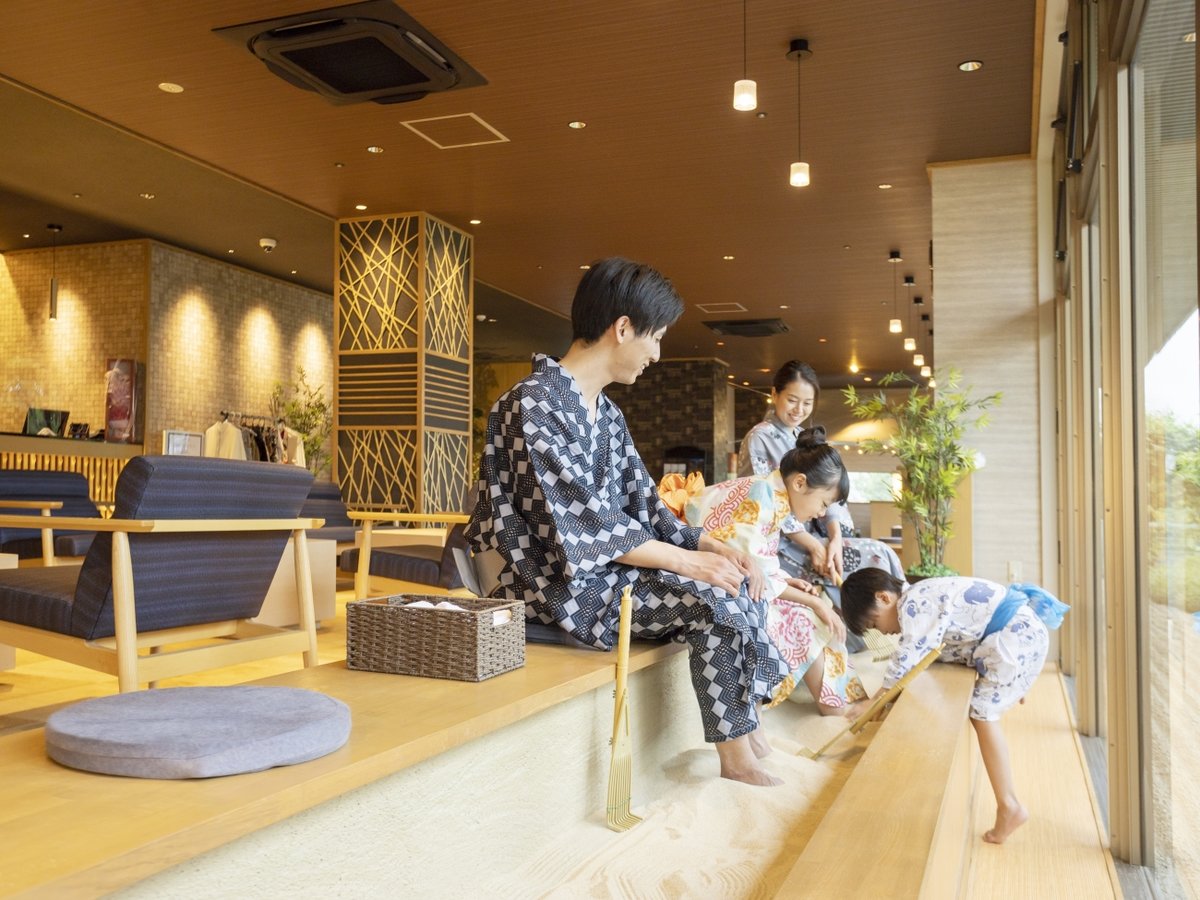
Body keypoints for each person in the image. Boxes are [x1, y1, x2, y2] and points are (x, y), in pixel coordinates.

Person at [467, 257, 791, 787]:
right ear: (622, 329)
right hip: (550, 585)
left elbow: (647, 508)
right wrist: (691, 565)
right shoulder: (530, 406)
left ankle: (746, 728)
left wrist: (714, 547)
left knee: (738, 581)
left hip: (607, 574)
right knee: (714, 599)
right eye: (655, 337)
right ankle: (736, 755)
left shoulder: (608, 415)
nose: (656, 354)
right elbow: (583, 525)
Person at [839, 567, 1069, 844]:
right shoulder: (921, 593)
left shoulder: (913, 603)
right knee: (981, 698)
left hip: (1014, 638)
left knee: (981, 714)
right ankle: (1015, 687)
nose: (883, 632)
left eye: (875, 624)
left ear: (884, 598)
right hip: (1018, 634)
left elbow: (907, 656)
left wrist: (875, 701)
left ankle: (1010, 805)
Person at [682, 426, 868, 716]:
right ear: (800, 483)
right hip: (697, 574)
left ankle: (840, 701)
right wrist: (814, 602)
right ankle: (835, 706)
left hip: (722, 573)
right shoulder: (764, 496)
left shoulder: (771, 493)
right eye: (823, 503)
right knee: (803, 617)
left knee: (809, 611)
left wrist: (788, 582)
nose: (821, 513)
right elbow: (750, 571)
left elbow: (761, 564)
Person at [737, 360, 906, 600]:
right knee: (875, 557)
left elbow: (830, 489)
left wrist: (835, 538)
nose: (799, 409)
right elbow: (763, 502)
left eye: (807, 403)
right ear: (774, 394)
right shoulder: (759, 437)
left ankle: (898, 608)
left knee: (882, 555)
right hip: (781, 540)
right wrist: (814, 546)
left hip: (817, 534)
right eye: (792, 400)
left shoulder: (803, 437)